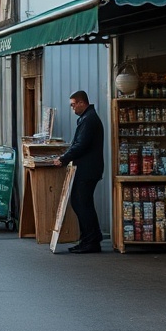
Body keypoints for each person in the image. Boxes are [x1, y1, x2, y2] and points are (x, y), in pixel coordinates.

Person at [53, 90, 105, 253]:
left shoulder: (89, 120)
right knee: (82, 202)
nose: (73, 108)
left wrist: (64, 158)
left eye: (74, 105)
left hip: (87, 169)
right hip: (88, 168)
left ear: (82, 103)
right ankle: (90, 238)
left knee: (81, 202)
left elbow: (81, 144)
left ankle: (91, 240)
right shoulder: (88, 118)